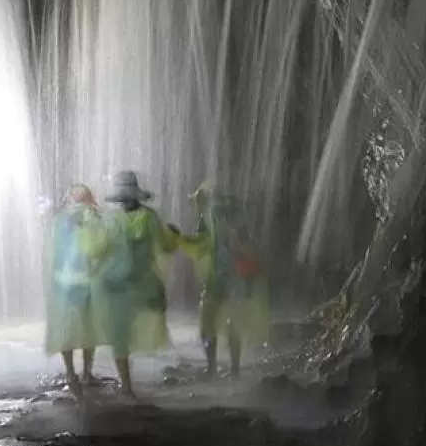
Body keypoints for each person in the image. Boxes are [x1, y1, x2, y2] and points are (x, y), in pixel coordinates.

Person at [88, 170, 181, 399]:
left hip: (112, 285)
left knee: (119, 336)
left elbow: (97, 249)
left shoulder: (111, 219)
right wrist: (174, 236)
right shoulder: (149, 217)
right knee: (140, 323)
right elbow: (165, 245)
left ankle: (127, 385)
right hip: (142, 285)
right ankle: (128, 383)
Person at [180, 182, 270, 379]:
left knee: (209, 324)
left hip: (225, 279)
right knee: (231, 324)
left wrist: (180, 241)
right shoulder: (217, 220)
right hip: (231, 279)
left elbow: (200, 249)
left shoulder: (208, 221)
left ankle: (214, 367)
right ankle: (233, 369)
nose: (195, 206)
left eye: (196, 202)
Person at [45, 184, 103, 393]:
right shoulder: (93, 217)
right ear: (88, 198)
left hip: (63, 283)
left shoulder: (60, 220)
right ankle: (87, 373)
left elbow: (52, 251)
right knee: (90, 328)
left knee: (66, 328)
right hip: (88, 281)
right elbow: (100, 247)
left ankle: (70, 373)